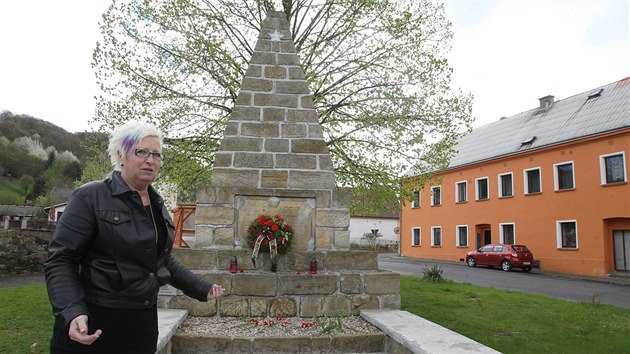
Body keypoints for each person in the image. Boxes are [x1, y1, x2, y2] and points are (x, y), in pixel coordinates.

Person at [44, 120, 224, 353]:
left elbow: (160, 259)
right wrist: (72, 310)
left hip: (141, 325)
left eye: (156, 155)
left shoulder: (157, 205)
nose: (150, 160)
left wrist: (202, 288)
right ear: (121, 155)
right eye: (141, 152)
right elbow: (61, 259)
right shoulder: (90, 196)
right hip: (94, 322)